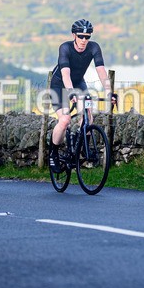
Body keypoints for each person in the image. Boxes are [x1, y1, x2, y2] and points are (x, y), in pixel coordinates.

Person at [47, 19, 116, 173]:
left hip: (79, 83)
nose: (84, 40)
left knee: (88, 116)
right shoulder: (65, 48)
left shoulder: (94, 47)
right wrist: (71, 92)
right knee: (64, 120)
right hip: (59, 85)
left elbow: (101, 71)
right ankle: (53, 153)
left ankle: (84, 146)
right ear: (74, 35)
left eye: (87, 37)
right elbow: (65, 75)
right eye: (81, 36)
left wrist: (109, 92)